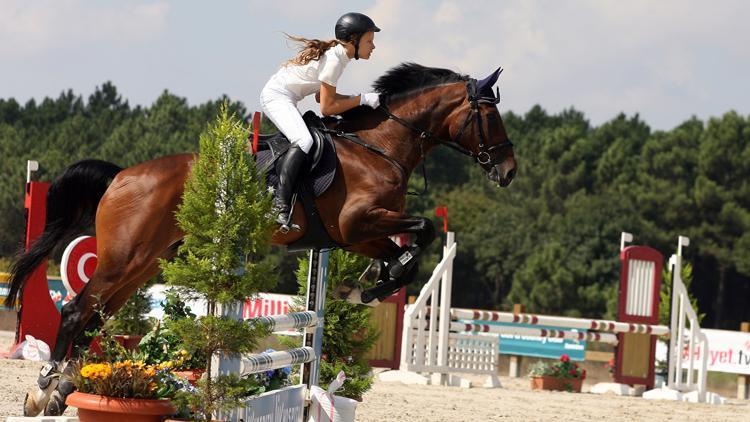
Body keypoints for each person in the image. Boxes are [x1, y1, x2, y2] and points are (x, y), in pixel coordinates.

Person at [260, 12, 381, 229]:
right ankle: (279, 205)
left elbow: (322, 97)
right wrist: (361, 98)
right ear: (354, 40)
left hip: (286, 98)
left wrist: (361, 100)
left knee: (306, 139)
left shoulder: (339, 57)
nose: (373, 47)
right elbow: (327, 108)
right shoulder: (335, 60)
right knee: (304, 141)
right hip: (276, 97)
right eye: (369, 41)